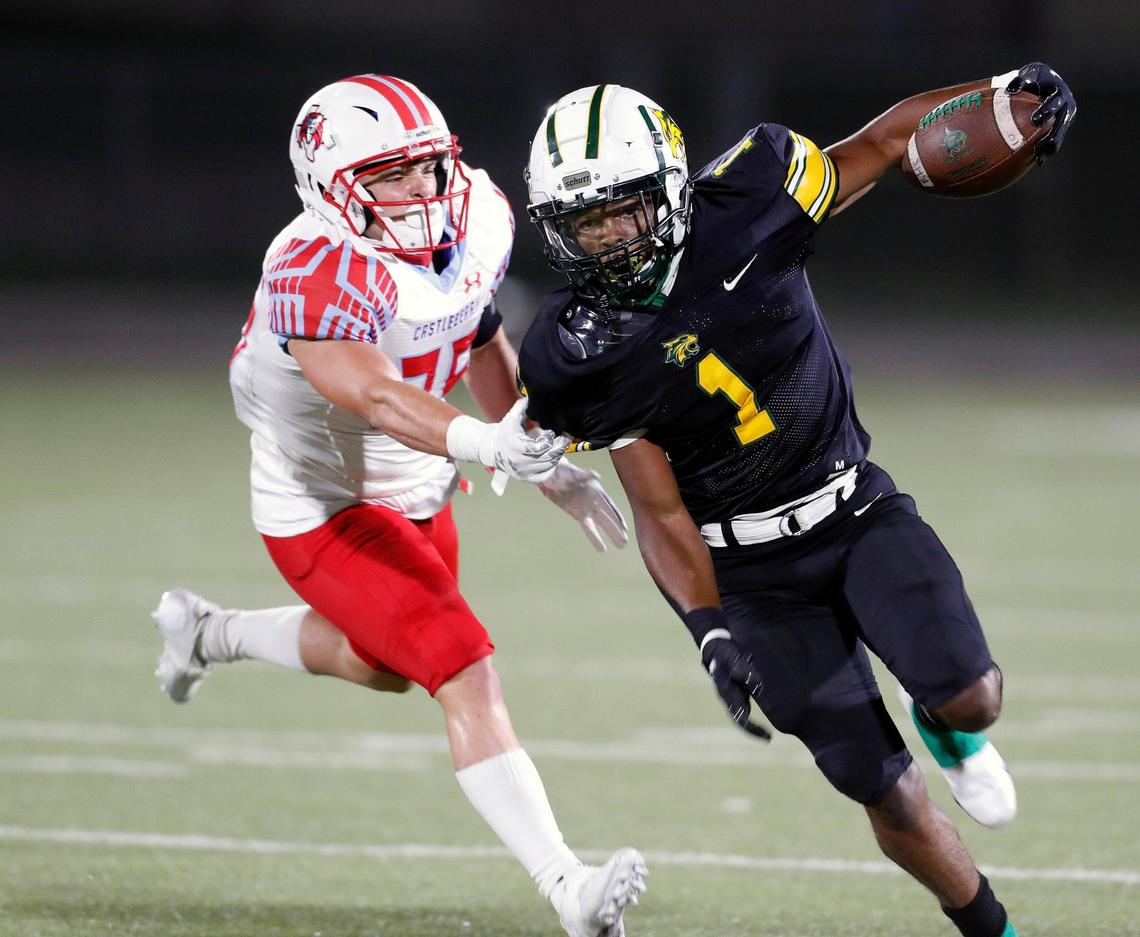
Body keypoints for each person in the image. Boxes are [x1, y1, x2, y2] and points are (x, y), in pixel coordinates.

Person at [517, 67, 1075, 937]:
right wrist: (708, 630)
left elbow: (890, 140)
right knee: (878, 787)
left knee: (975, 696)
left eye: (626, 208)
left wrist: (999, 92)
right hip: (749, 575)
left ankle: (950, 726)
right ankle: (993, 929)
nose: (613, 238)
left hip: (853, 509)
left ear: (669, 182)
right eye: (587, 222)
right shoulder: (574, 351)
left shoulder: (753, 197)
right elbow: (660, 512)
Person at [150, 73, 645, 937]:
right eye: (392, 176)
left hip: (420, 472)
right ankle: (570, 887)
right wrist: (486, 445)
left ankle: (208, 631)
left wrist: (540, 449)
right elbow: (374, 395)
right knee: (463, 668)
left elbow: (478, 326)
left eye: (427, 167)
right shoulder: (312, 268)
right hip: (325, 499)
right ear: (331, 190)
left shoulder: (476, 213)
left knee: (388, 664)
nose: (422, 192)